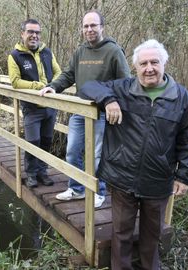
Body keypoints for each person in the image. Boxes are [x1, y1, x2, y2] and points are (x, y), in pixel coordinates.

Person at [79, 39, 188, 270]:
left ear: (164, 64)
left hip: (158, 178)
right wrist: (109, 99)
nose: (149, 68)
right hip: (123, 176)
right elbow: (87, 86)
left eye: (154, 62)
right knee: (121, 233)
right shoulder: (122, 89)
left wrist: (184, 176)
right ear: (135, 67)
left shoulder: (182, 98)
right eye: (143, 63)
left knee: (152, 235)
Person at [39, 10, 131, 207]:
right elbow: (69, 74)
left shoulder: (114, 51)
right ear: (82, 29)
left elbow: (125, 83)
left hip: (102, 113)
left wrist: (114, 103)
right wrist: (53, 87)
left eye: (93, 25)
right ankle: (76, 188)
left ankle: (99, 191)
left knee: (98, 155)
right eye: (86, 26)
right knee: (72, 151)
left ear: (102, 27)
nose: (89, 29)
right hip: (80, 110)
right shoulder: (80, 51)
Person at [7, 19, 62, 188]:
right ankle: (31, 174)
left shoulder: (47, 52)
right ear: (22, 33)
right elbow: (15, 82)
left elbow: (59, 72)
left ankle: (42, 172)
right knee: (33, 142)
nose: (34, 36)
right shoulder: (15, 55)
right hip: (31, 108)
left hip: (50, 107)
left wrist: (52, 86)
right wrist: (37, 86)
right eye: (30, 32)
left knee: (46, 141)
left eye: (37, 32)